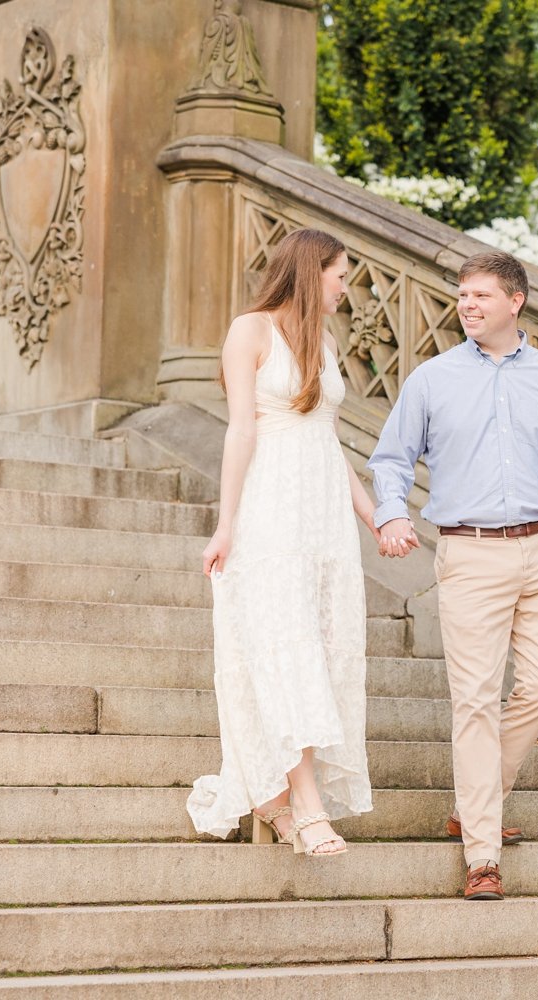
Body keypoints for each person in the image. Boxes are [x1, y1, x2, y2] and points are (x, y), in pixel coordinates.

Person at [369, 250, 538, 900]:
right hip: (470, 553)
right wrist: (391, 514)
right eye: (463, 295)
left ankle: (476, 803)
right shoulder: (432, 380)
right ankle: (483, 857)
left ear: (515, 301)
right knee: (473, 701)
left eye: (481, 296)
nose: (468, 305)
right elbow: (391, 459)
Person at [186, 228, 379, 856]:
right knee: (286, 648)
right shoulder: (251, 331)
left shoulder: (322, 341)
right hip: (270, 513)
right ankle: (308, 805)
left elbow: (329, 441)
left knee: (320, 653)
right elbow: (241, 431)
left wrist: (375, 517)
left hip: (323, 518)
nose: (345, 287)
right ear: (310, 270)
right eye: (340, 275)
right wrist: (226, 524)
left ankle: (274, 800)